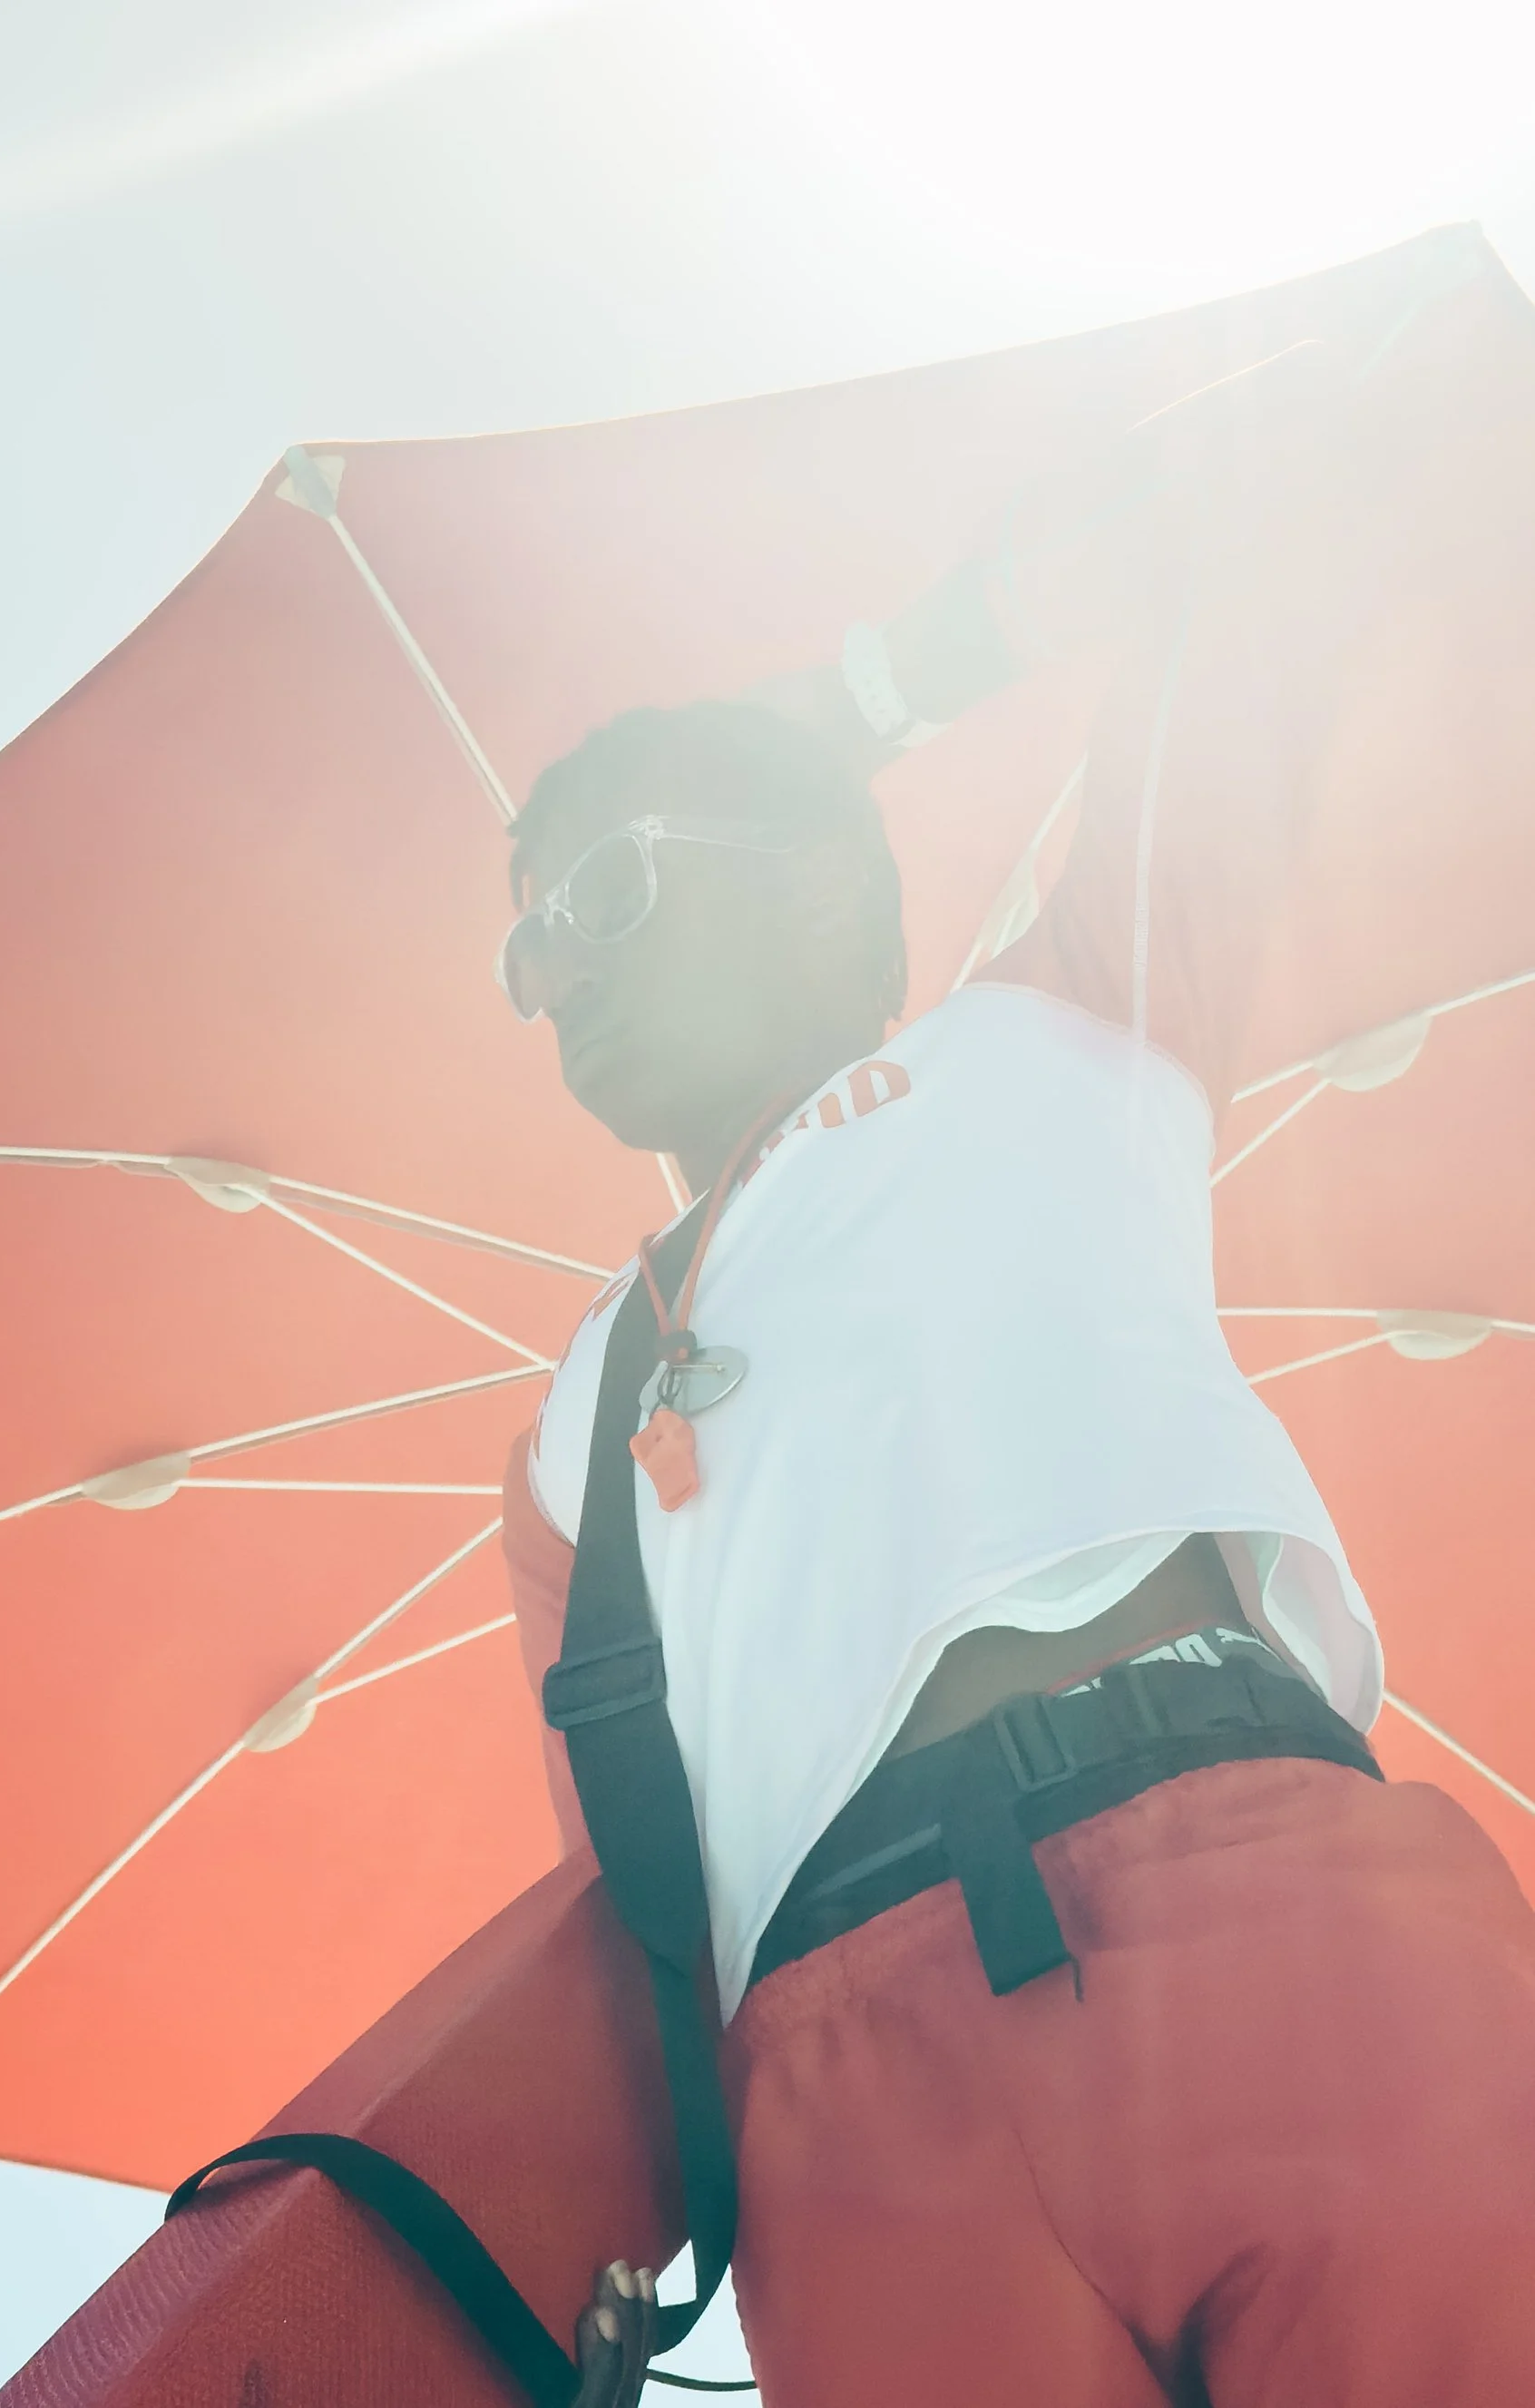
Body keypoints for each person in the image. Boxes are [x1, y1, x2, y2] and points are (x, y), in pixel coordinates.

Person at [497, 269, 1535, 2406]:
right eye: (524, 942)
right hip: (844, 2104)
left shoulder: (1054, 1023)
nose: (548, 977)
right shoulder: (560, 1420)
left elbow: (1271, 558)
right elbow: (623, 1910)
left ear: (799, 884)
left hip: (1274, 1893)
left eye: (597, 894)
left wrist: (881, 684)